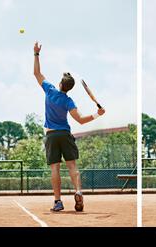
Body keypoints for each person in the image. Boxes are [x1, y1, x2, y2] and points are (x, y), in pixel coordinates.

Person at [33, 42, 105, 211]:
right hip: (65, 134)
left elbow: (36, 73)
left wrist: (36, 54)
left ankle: (58, 202)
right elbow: (80, 120)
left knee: (55, 169)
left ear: (60, 84)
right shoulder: (69, 101)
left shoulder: (50, 90)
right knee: (72, 166)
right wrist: (97, 114)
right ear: (70, 88)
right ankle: (78, 191)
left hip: (51, 135)